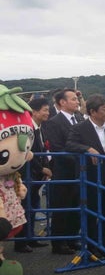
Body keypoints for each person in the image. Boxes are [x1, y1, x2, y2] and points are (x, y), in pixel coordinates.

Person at [65, 94, 105, 258]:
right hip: (90, 178)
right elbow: (70, 145)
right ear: (93, 112)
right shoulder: (80, 127)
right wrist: (87, 149)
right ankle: (93, 247)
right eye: (104, 109)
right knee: (92, 213)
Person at [44, 88, 81, 255]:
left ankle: (73, 238)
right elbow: (58, 148)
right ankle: (59, 243)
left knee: (77, 206)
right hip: (63, 172)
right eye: (73, 99)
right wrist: (81, 159)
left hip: (80, 173)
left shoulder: (79, 119)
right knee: (62, 208)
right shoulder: (54, 122)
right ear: (62, 102)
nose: (77, 102)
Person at [15, 98, 52, 252]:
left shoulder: (39, 127)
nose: (48, 113)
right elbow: (27, 153)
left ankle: (30, 237)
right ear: (34, 112)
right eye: (45, 110)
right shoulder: (27, 128)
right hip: (28, 174)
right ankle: (21, 241)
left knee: (33, 206)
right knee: (26, 207)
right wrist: (42, 169)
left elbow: (42, 150)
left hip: (36, 175)